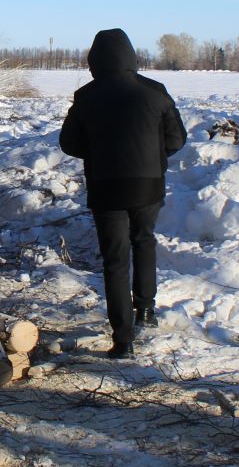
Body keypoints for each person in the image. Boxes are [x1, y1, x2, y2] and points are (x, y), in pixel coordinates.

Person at [59, 28, 187, 357]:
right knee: (144, 241)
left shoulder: (86, 96)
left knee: (115, 260)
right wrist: (154, 158)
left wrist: (98, 151)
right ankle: (145, 310)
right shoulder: (155, 91)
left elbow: (68, 143)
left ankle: (123, 340)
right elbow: (177, 139)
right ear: (131, 57)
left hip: (107, 187)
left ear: (94, 61)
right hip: (148, 185)